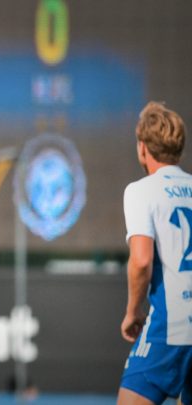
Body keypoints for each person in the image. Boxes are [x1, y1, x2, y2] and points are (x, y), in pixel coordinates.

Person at [118, 101, 192, 405]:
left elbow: (141, 260)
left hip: (172, 325)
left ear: (142, 148)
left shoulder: (141, 191)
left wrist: (133, 312)